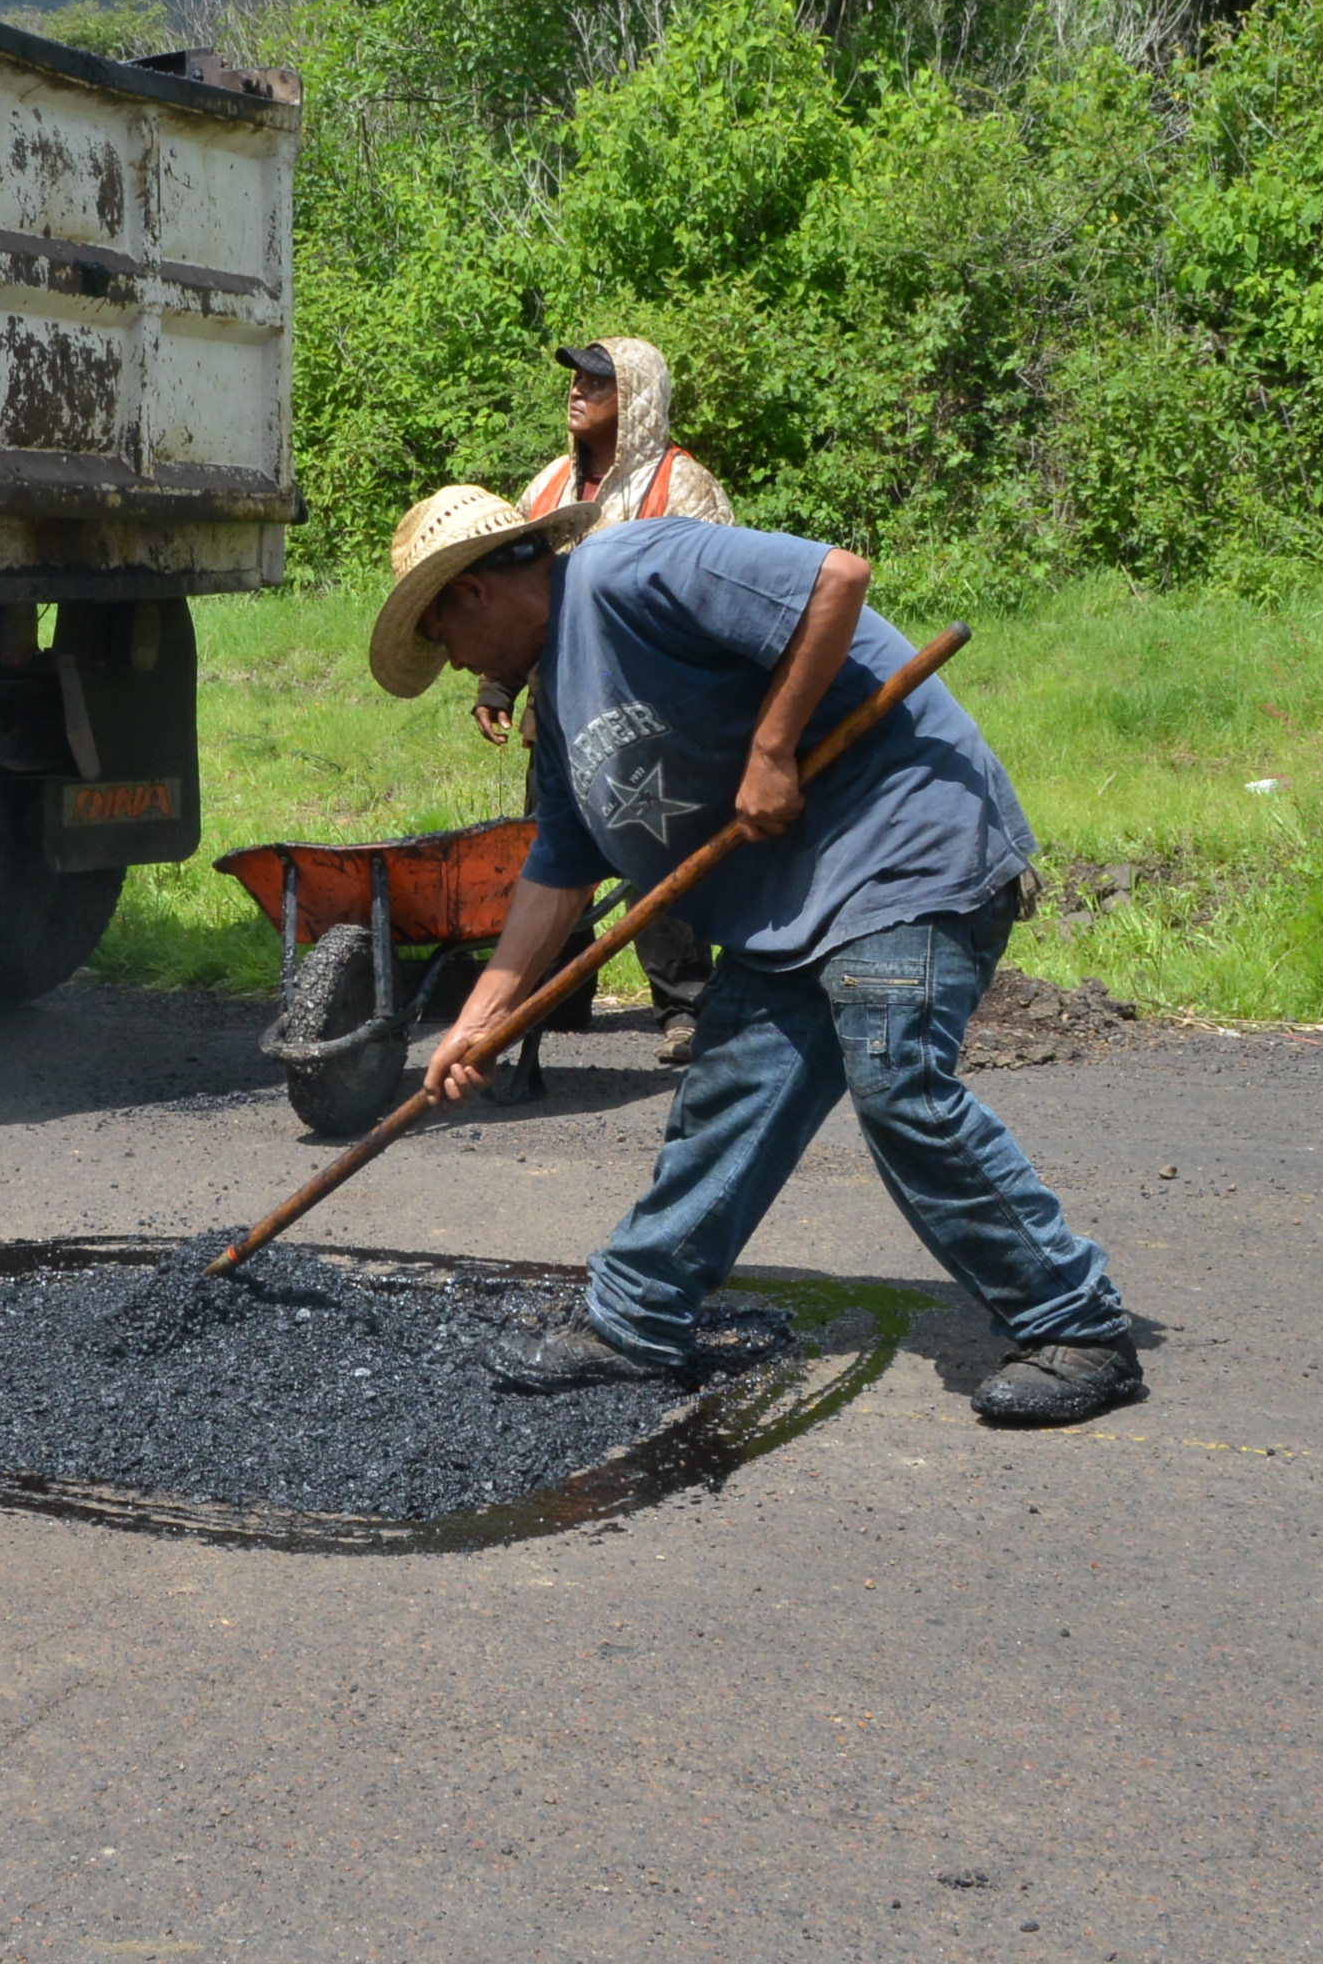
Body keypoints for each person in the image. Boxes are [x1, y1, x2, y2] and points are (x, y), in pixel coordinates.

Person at [367, 482, 1144, 1428]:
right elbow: (559, 867)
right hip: (788, 904)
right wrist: (483, 1019)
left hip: (901, 845)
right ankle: (635, 1321)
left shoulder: (626, 569)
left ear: (476, 594)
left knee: (897, 1079)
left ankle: (1077, 1324)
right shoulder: (558, 703)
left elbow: (836, 580)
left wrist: (772, 750)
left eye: (442, 637)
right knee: (733, 1099)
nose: (453, 664)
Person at [473, 336, 735, 1069]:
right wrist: (497, 683)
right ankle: (560, 997)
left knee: (656, 849)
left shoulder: (683, 488)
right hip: (557, 710)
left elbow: (711, 604)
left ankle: (684, 1007)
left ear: (638, 397)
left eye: (598, 380)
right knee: (552, 850)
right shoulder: (548, 486)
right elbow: (510, 598)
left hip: (648, 710)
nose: (577, 390)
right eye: (576, 378)